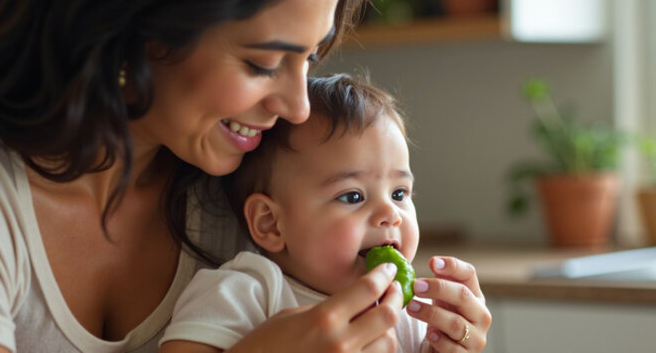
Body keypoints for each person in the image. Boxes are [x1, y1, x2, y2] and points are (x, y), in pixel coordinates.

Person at [0, 0, 494, 351]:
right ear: (138, 31)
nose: (294, 105)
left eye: (311, 60)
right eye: (262, 63)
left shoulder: (229, 200)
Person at [158, 74, 490, 353]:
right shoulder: (242, 294)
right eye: (353, 195)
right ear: (270, 223)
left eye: (399, 193)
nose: (391, 213)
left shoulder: (411, 316)